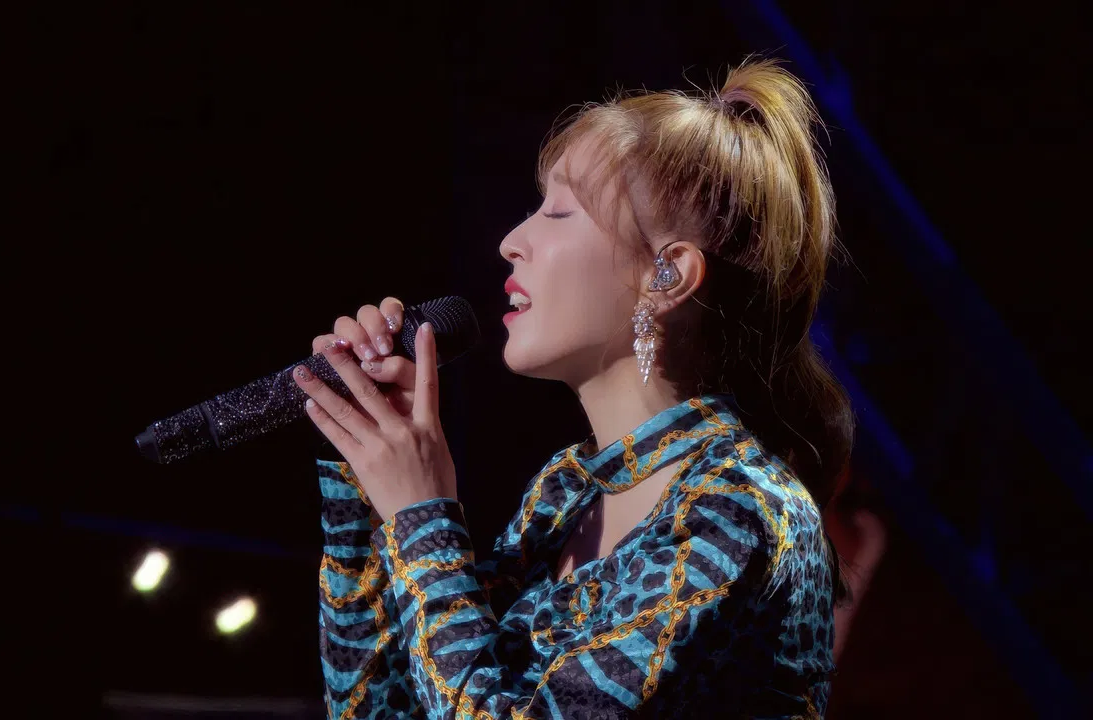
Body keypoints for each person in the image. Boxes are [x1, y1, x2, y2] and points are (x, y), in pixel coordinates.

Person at [294, 58, 852, 719]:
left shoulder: (740, 509)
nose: (511, 241)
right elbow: (374, 711)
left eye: (559, 212)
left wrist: (421, 516)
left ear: (668, 275)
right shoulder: (562, 497)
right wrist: (369, 481)